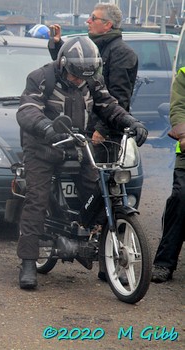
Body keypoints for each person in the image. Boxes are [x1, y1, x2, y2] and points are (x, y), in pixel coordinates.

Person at [16, 36, 148, 290]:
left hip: (78, 144)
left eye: (84, 77)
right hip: (42, 147)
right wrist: (46, 128)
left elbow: (109, 106)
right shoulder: (41, 77)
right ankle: (29, 262)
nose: (79, 81)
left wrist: (132, 122)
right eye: (75, 76)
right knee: (37, 199)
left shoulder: (92, 79)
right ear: (64, 64)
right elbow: (27, 109)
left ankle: (105, 261)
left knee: (100, 191)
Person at [48, 3, 138, 144]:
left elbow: (119, 97)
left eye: (93, 18)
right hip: (86, 127)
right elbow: (70, 71)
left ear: (107, 25)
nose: (88, 21)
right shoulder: (94, 48)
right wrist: (57, 45)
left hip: (102, 136)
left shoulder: (122, 53)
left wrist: (103, 130)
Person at [150, 67, 185, 283]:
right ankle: (164, 262)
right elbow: (178, 107)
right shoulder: (184, 74)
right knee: (181, 200)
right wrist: (182, 134)